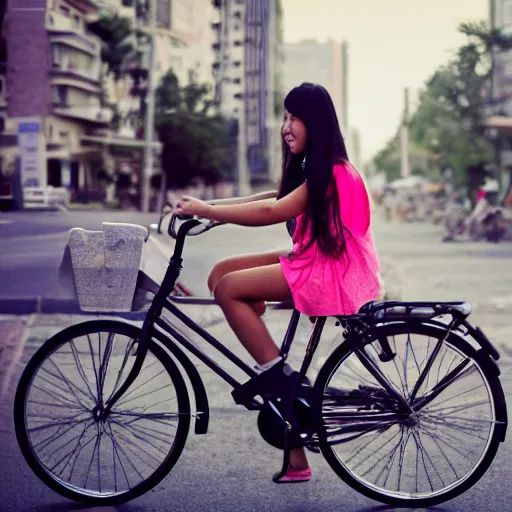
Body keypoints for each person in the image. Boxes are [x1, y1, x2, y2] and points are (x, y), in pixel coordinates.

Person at [176, 82, 381, 483]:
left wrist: (208, 209)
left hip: (329, 271)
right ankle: (293, 444)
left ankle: (276, 373)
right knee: (220, 272)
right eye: (284, 117)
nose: (286, 126)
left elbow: (274, 210)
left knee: (229, 289)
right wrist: (213, 210)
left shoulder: (334, 173)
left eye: (294, 117)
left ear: (316, 123)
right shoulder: (317, 169)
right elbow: (275, 196)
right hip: (315, 258)